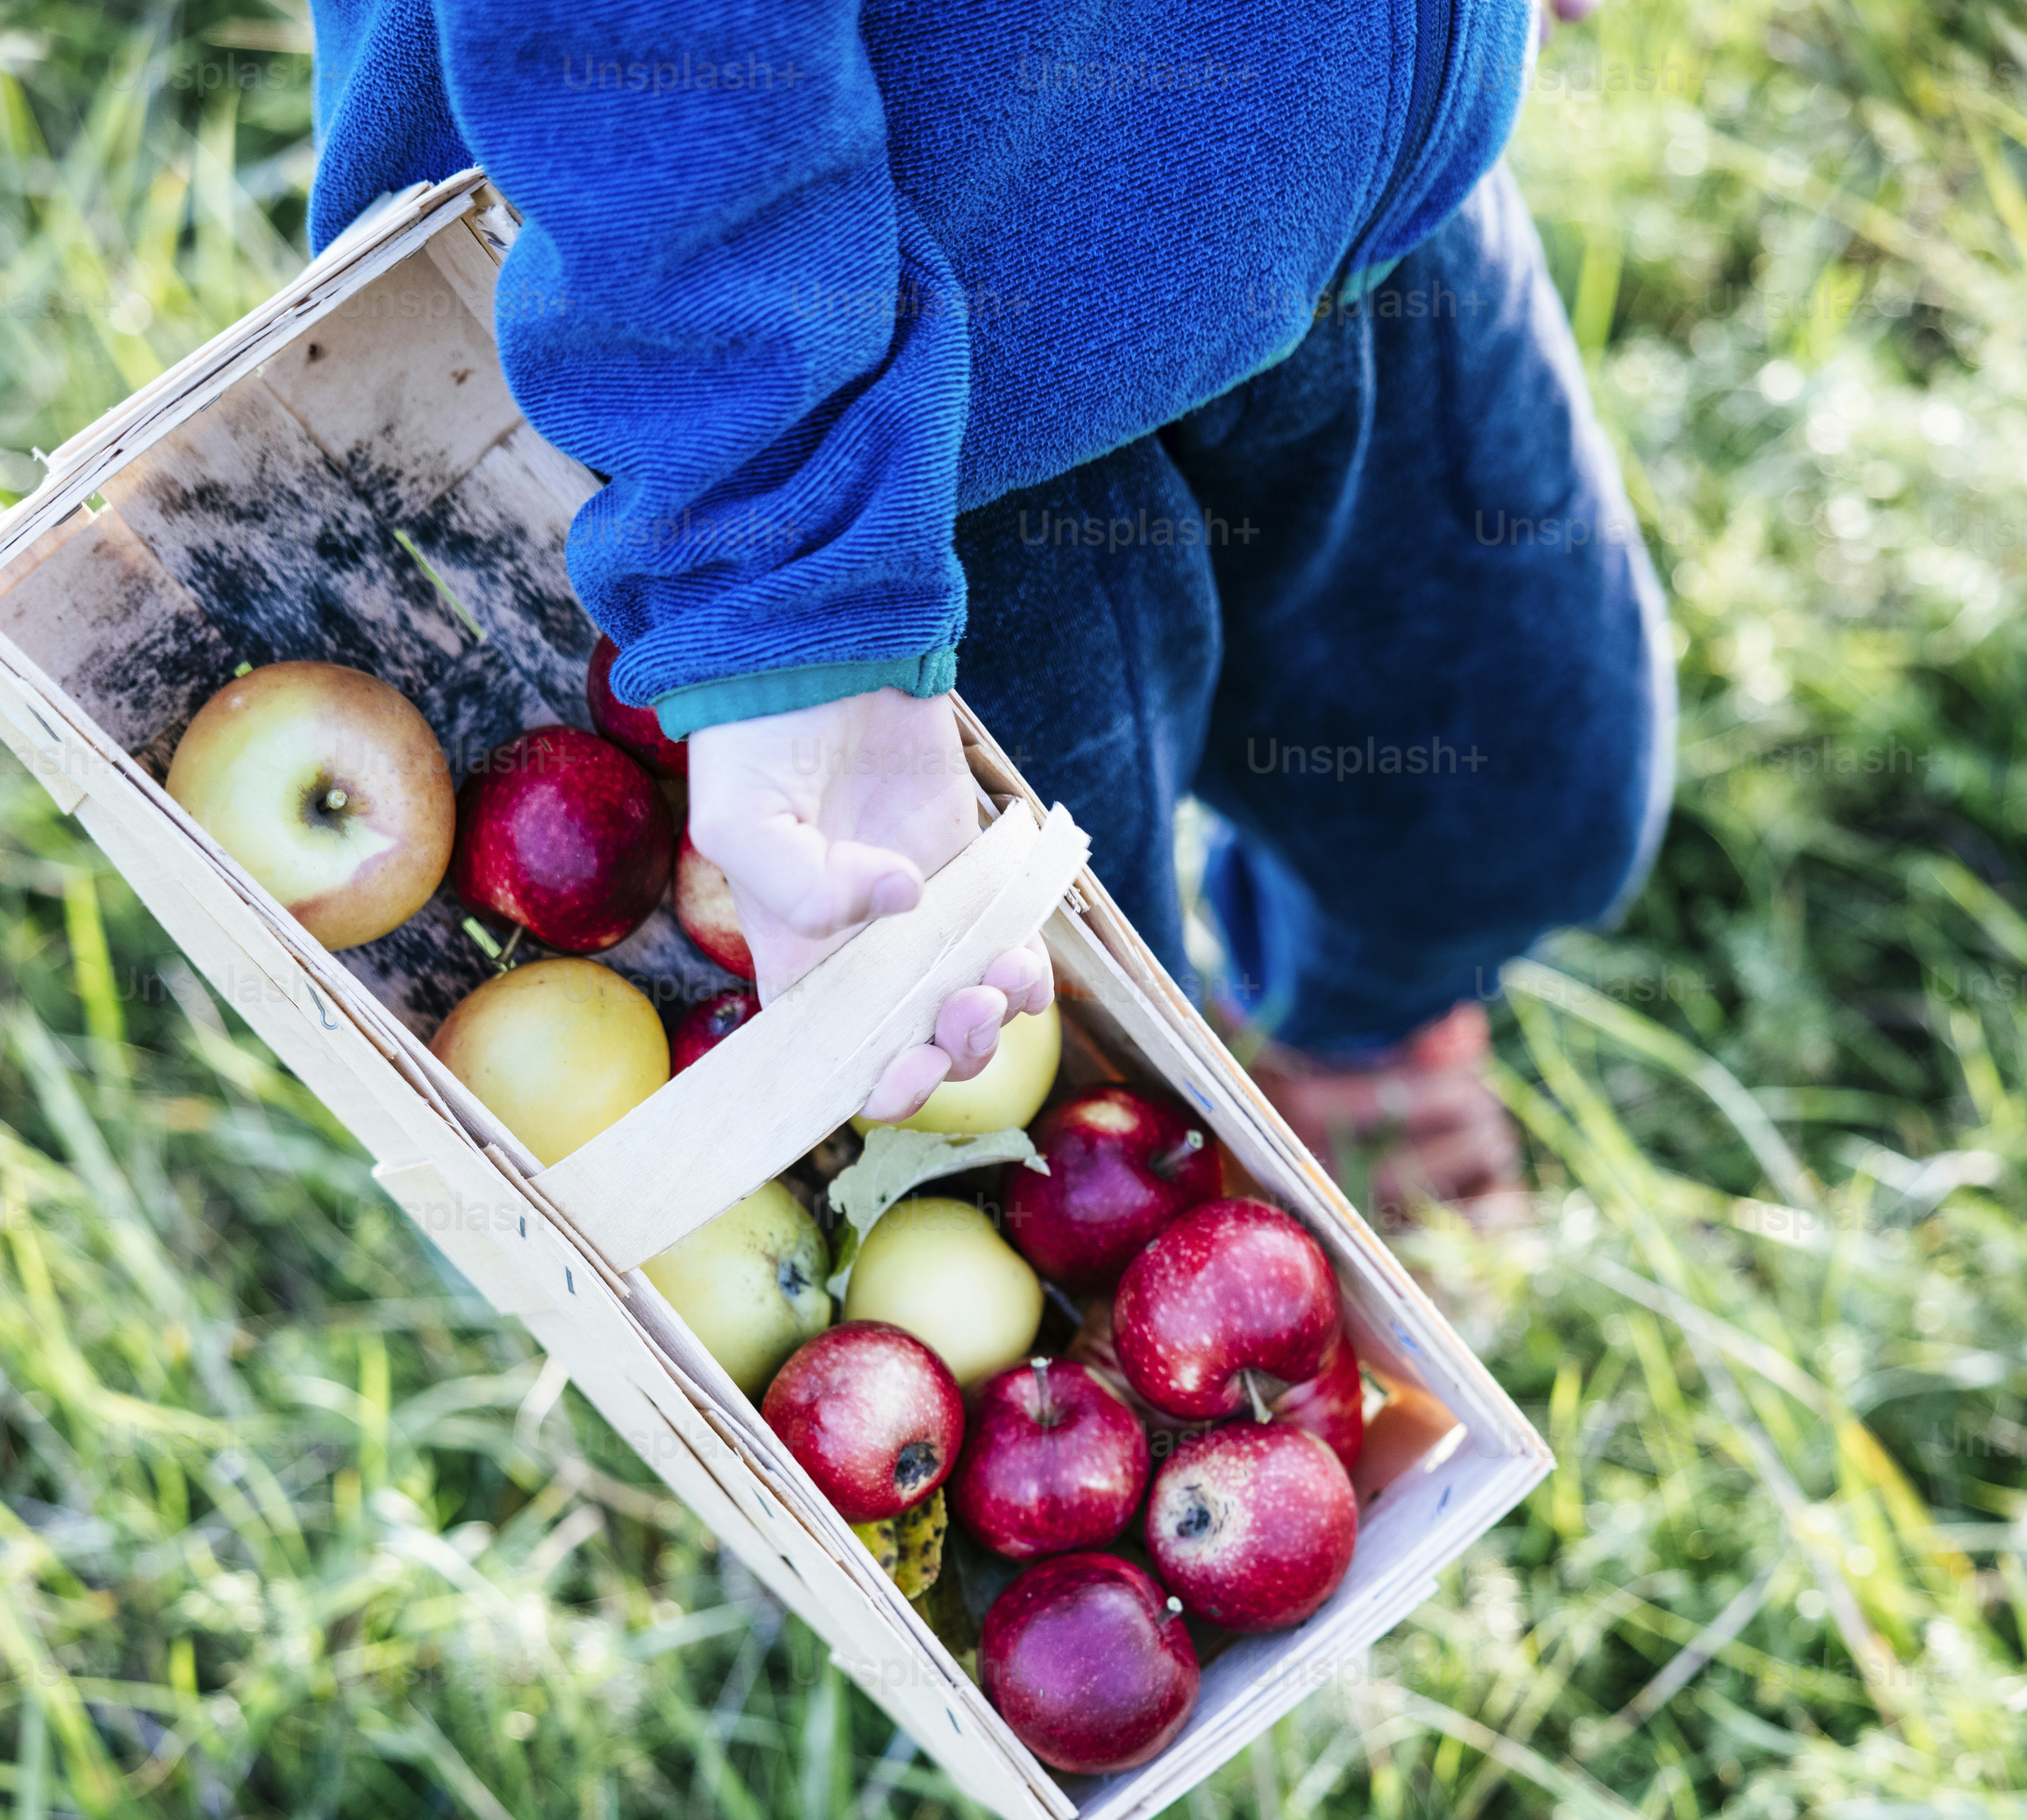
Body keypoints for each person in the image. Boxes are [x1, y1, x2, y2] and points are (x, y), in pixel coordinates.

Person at [305, 0, 1672, 1211]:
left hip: (1317, 144)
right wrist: (783, 545)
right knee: (1058, 1076)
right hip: (834, 403)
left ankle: (1358, 1039)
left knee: (1523, 791)